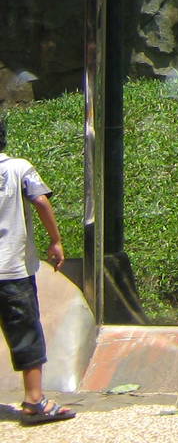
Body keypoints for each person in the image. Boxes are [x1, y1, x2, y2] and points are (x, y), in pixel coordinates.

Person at [0, 121, 73, 425]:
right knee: (26, 331)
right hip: (12, 270)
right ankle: (34, 401)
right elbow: (40, 200)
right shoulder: (19, 168)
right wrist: (55, 241)